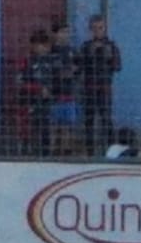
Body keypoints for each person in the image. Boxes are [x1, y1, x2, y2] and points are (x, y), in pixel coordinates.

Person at [78, 14, 122, 156]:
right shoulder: (85, 46)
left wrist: (107, 56)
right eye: (95, 28)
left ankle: (110, 152)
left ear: (105, 29)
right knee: (89, 121)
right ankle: (90, 153)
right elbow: (79, 67)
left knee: (106, 120)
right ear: (90, 30)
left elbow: (117, 66)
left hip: (104, 89)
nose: (98, 31)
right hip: (89, 89)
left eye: (100, 28)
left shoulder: (111, 46)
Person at [17, 29, 55, 156]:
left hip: (45, 102)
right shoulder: (27, 61)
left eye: (46, 45)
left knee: (45, 128)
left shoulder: (50, 61)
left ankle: (46, 154)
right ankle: (27, 152)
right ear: (34, 46)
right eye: (42, 45)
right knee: (29, 129)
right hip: (29, 101)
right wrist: (38, 89)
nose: (45, 48)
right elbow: (20, 82)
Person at [48, 21, 79, 154]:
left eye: (67, 32)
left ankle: (66, 152)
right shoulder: (50, 52)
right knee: (53, 125)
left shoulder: (73, 51)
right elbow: (49, 70)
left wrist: (73, 71)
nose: (65, 35)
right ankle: (52, 151)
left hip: (69, 93)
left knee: (68, 125)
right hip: (54, 94)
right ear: (55, 34)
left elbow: (79, 68)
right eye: (62, 32)